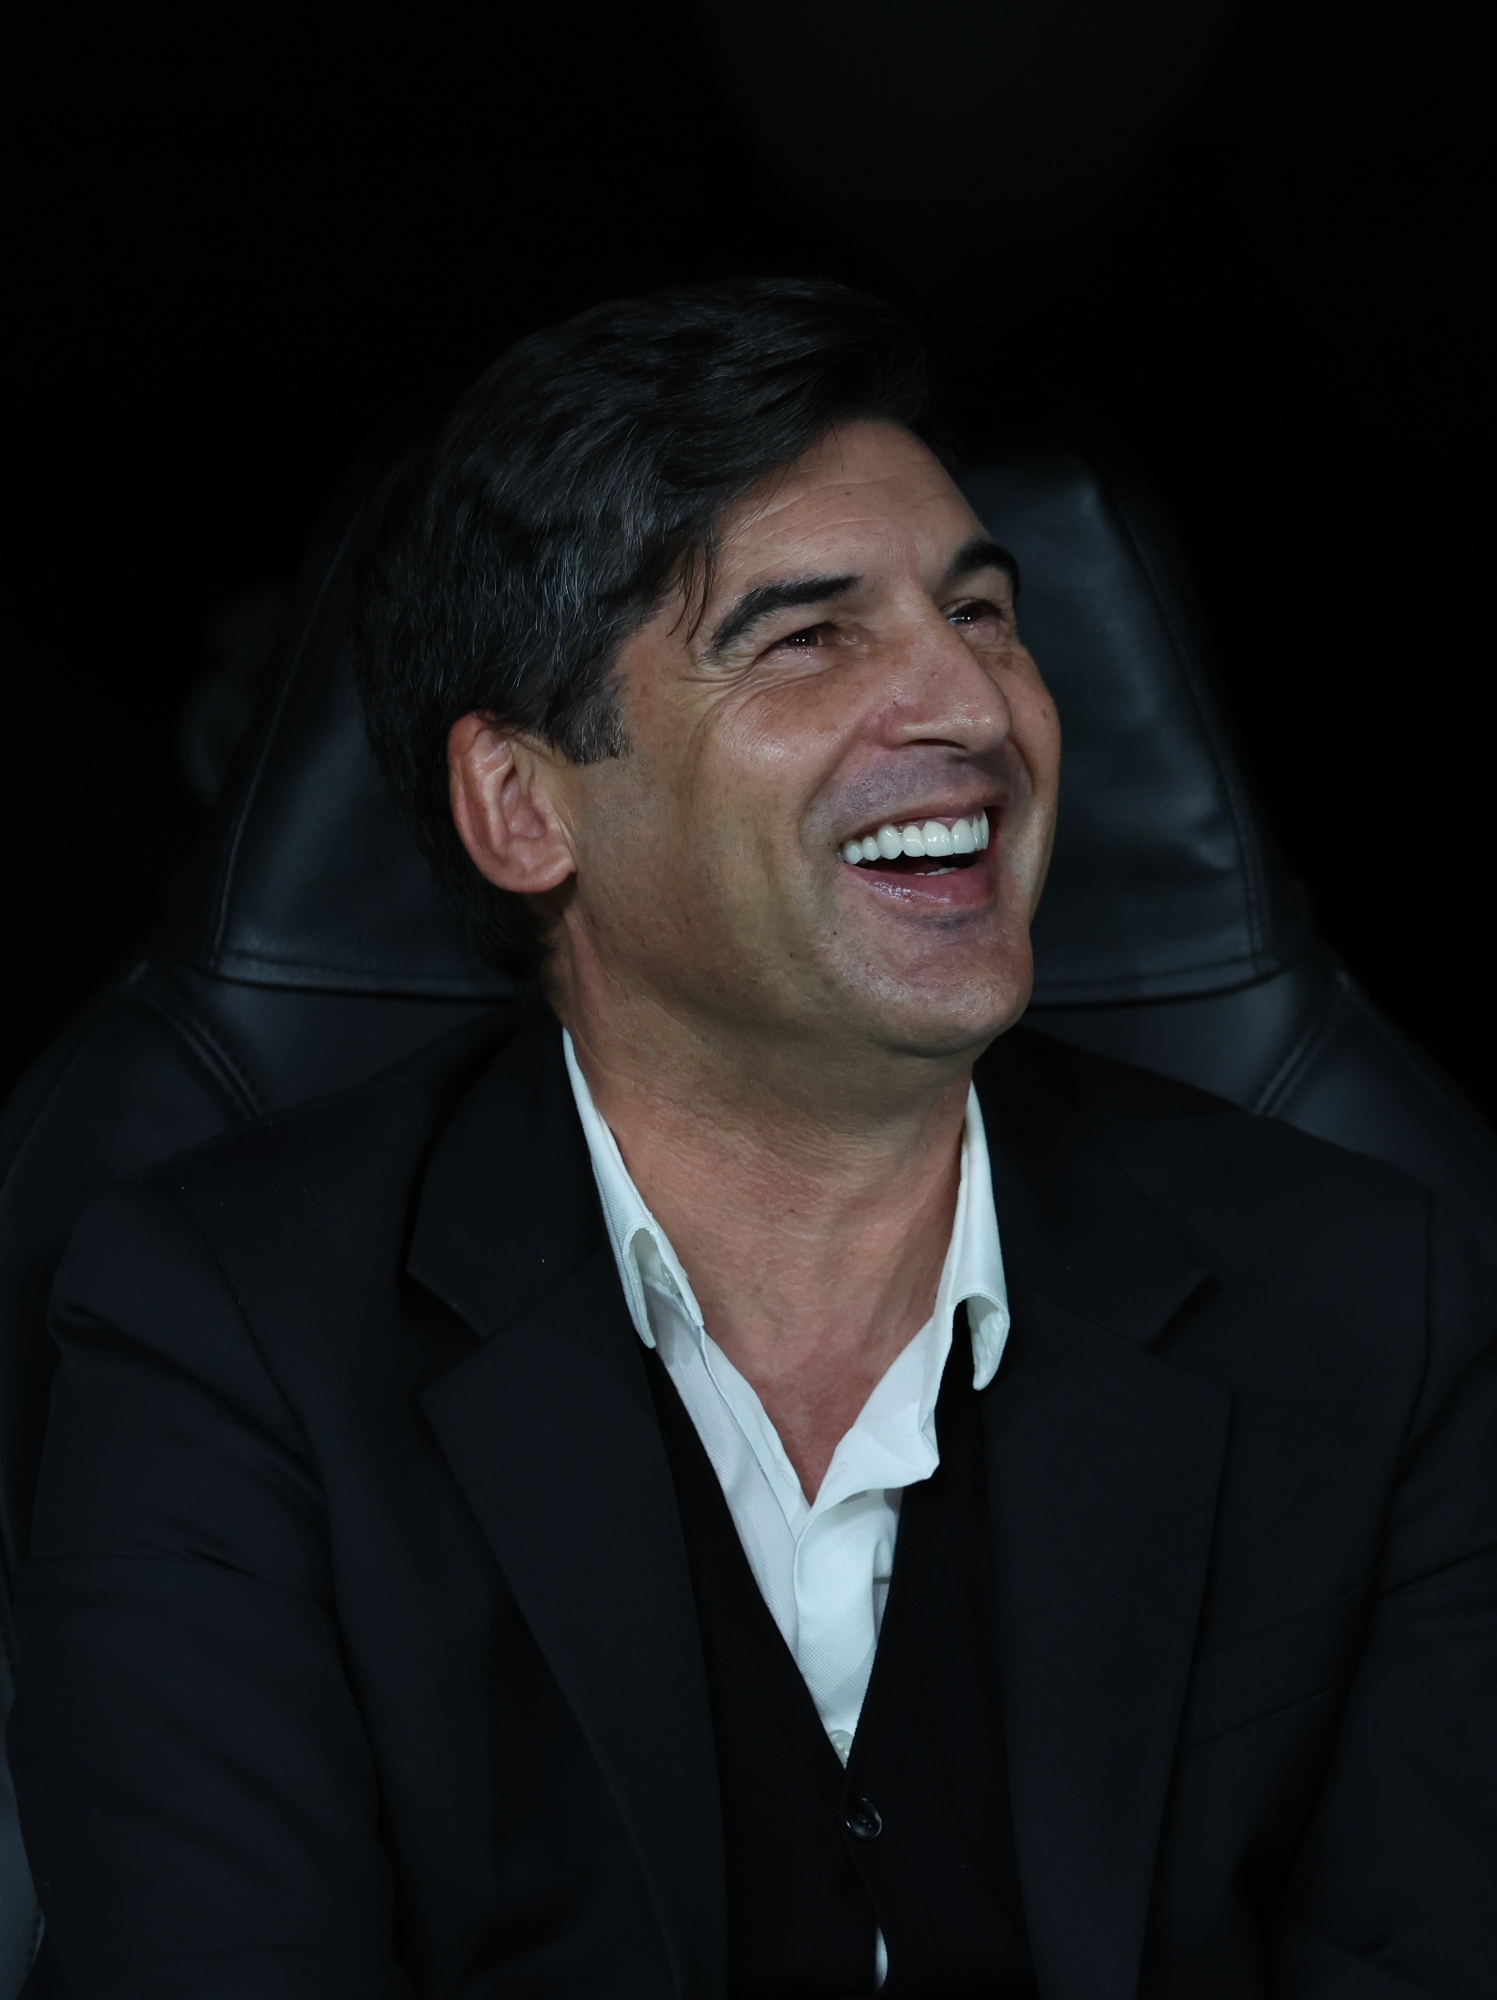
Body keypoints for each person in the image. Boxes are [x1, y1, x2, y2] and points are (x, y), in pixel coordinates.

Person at [10, 280, 1495, 1999]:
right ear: (523, 807)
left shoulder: (1377, 1299)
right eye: (807, 635)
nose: (972, 705)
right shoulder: (223, 1332)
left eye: (985, 614)